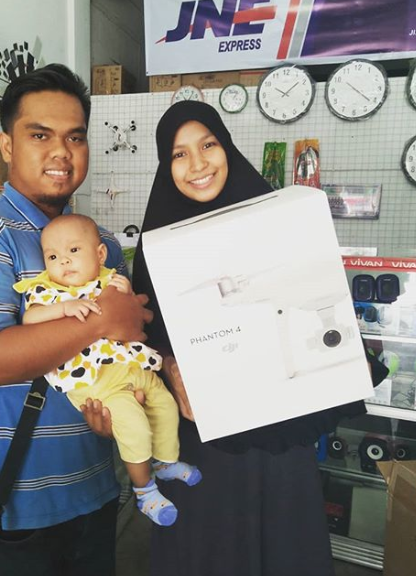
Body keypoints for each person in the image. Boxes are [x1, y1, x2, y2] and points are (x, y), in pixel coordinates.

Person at [132, 100, 389, 576]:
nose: (198, 164)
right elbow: (143, 335)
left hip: (278, 433)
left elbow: (311, 299)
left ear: (227, 147)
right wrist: (168, 364)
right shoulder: (157, 244)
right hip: (203, 439)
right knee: (209, 552)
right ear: (166, 166)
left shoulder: (278, 220)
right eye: (179, 154)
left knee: (283, 546)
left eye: (208, 145)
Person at [0, 64, 153, 576]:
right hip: (12, 508)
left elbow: (126, 339)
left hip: (97, 489)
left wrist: (123, 405)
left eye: (75, 137)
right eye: (40, 135)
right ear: (7, 145)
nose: (62, 152)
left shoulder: (101, 243)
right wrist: (100, 319)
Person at [14, 213, 201, 527]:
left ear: (100, 254)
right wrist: (63, 308)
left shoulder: (109, 279)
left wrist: (125, 291)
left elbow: (134, 313)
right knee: (134, 427)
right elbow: (29, 319)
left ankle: (165, 461)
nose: (63, 261)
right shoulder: (48, 290)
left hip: (132, 367)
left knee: (165, 405)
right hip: (94, 381)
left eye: (74, 250)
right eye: (53, 257)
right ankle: (144, 491)